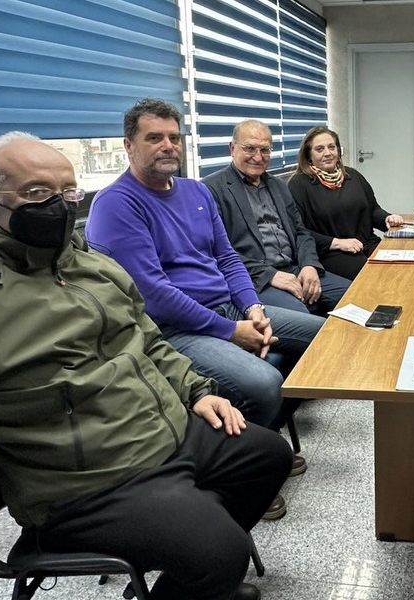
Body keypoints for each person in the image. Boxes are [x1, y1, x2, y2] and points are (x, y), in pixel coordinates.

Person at [0, 133, 290, 600]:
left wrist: (195, 390)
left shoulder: (88, 266)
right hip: (85, 486)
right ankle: (204, 571)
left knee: (267, 457)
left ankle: (191, 586)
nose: (58, 206)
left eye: (68, 192)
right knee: (219, 552)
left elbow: (146, 338)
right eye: (36, 193)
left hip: (159, 435)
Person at [87, 99, 320, 519]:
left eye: (174, 137)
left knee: (321, 336)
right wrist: (231, 332)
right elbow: (154, 295)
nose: (168, 146)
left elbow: (227, 257)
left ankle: (262, 441)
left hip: (227, 307)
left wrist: (252, 308)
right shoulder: (116, 204)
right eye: (154, 138)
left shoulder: (195, 192)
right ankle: (246, 474)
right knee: (265, 381)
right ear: (129, 145)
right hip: (172, 331)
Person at [202, 120, 352, 315]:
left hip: (295, 269)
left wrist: (309, 265)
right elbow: (217, 251)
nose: (258, 157)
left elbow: (301, 232)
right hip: (256, 279)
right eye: (250, 148)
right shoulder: (210, 189)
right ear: (232, 148)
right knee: (302, 317)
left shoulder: (279, 185)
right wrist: (270, 275)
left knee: (357, 295)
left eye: (265, 150)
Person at [287, 126, 404, 279]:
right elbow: (299, 231)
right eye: (319, 149)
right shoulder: (299, 185)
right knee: (374, 277)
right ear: (308, 155)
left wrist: (387, 218)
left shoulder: (352, 175)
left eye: (331, 147)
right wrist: (338, 243)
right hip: (331, 252)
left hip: (367, 243)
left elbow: (372, 209)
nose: (327, 153)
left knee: (401, 268)